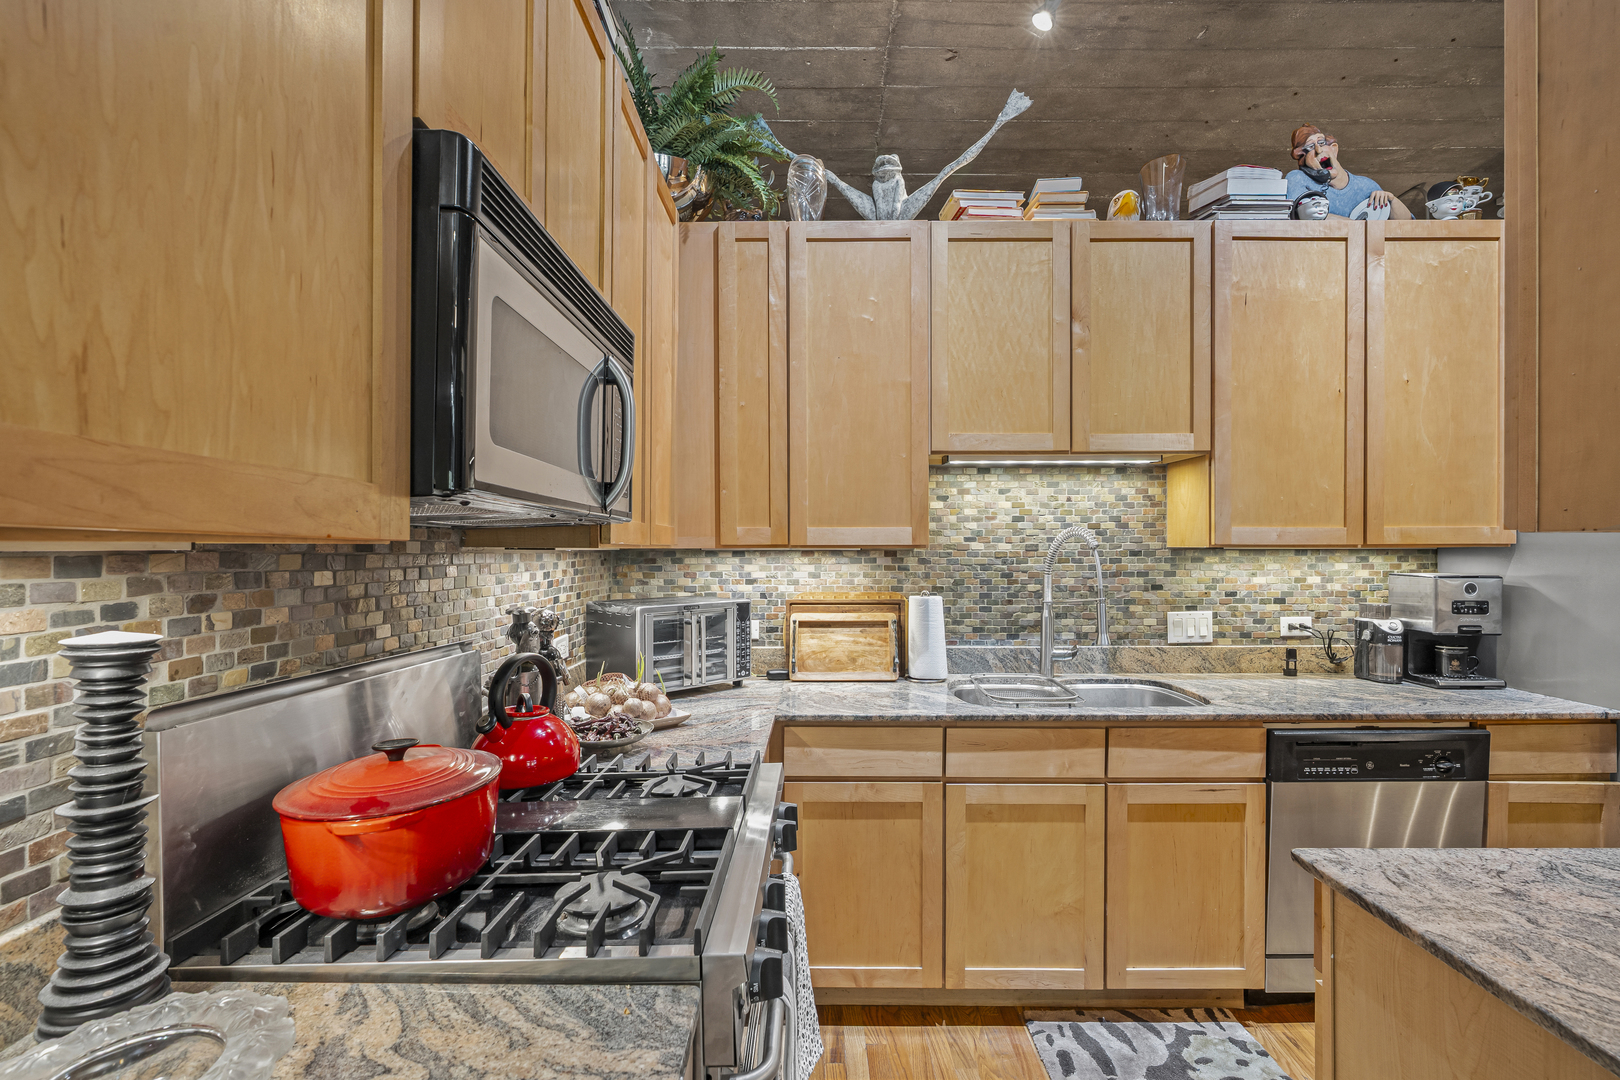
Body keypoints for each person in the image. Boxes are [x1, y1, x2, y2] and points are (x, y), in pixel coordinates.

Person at [1284, 125, 1412, 219]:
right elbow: (1297, 217)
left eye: (1322, 143)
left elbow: (1408, 227)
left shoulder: (1366, 186)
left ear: (1334, 149)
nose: (1318, 150)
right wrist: (1357, 227)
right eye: (1310, 147)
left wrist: (1392, 200)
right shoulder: (1298, 178)